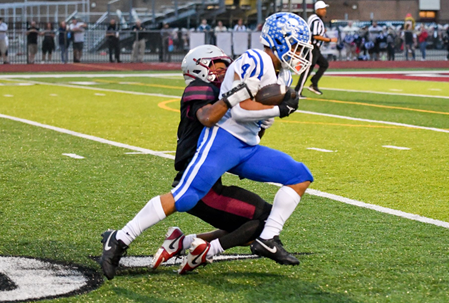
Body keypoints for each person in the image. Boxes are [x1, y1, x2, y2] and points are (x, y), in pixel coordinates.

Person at [99, 12, 314, 280]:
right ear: (279, 40)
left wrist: (269, 114)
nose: (298, 53)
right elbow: (238, 112)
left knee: (299, 175)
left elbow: (256, 116)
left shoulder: (280, 76)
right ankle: (119, 239)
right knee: (185, 196)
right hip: (223, 139)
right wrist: (278, 110)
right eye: (294, 45)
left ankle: (268, 238)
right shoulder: (256, 59)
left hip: (247, 146)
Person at [149, 45, 275, 274]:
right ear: (200, 68)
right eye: (218, 67)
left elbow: (243, 140)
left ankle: (183, 242)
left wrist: (261, 121)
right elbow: (207, 118)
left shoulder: (218, 97)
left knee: (248, 230)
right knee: (264, 219)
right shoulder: (200, 90)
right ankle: (206, 251)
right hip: (198, 186)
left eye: (226, 67)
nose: (224, 72)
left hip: (207, 183)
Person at [295, 0, 337, 96]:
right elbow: (315, 35)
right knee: (308, 69)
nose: (324, 11)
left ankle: (314, 83)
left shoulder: (314, 18)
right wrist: (329, 40)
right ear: (317, 10)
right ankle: (298, 91)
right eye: (322, 9)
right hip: (312, 47)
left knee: (324, 64)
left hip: (315, 48)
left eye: (325, 9)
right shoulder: (316, 20)